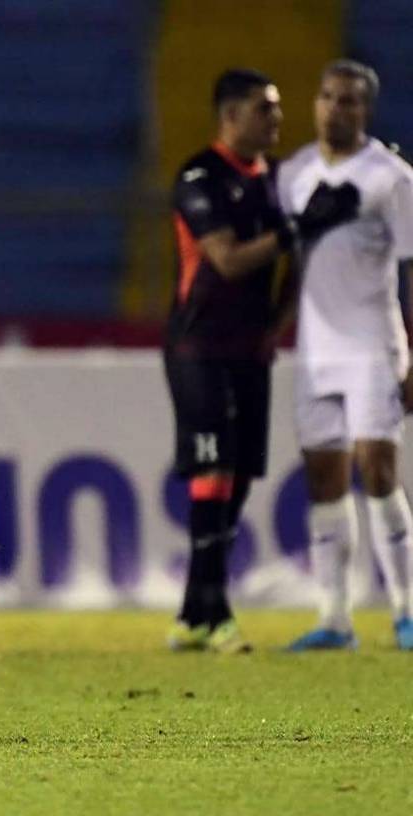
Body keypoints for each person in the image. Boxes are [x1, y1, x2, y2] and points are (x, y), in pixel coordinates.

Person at [164, 68, 360, 654]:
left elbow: (305, 254)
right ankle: (216, 611)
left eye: (276, 109)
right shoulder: (200, 176)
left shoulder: (280, 180)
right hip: (199, 348)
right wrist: (296, 230)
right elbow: (224, 259)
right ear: (230, 116)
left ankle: (193, 616)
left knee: (241, 477)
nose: (277, 119)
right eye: (264, 109)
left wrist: (280, 319)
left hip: (250, 349)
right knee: (213, 472)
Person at [278, 60, 413, 651]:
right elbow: (291, 262)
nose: (337, 108)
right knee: (323, 479)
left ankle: (407, 611)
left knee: (378, 471)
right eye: (329, 97)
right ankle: (334, 618)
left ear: (367, 109)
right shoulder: (294, 173)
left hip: (372, 345)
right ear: (317, 103)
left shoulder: (393, 177)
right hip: (315, 350)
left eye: (350, 100)